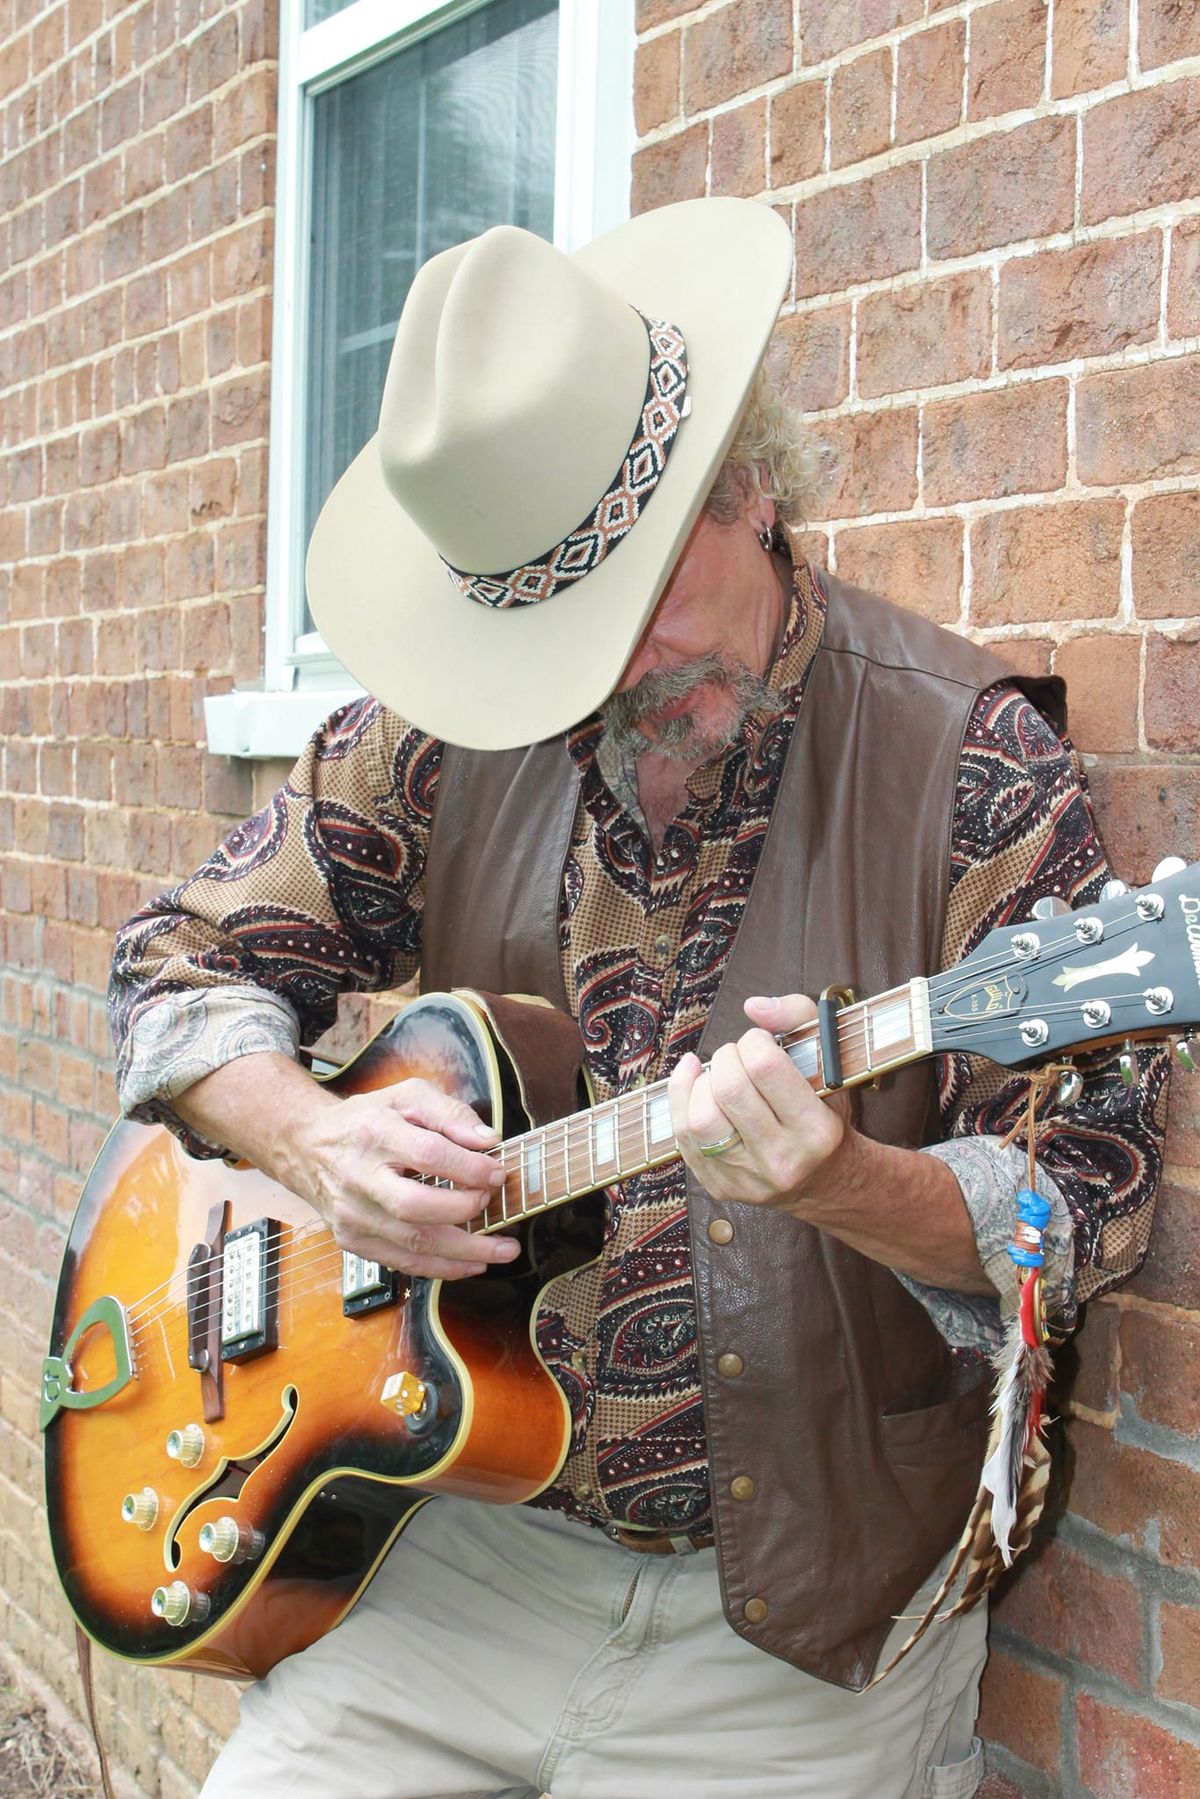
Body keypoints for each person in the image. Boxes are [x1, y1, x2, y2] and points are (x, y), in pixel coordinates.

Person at [109, 199, 1166, 1799]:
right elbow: (173, 961)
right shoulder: (444, 733)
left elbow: (1087, 1206)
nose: (605, 673)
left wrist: (848, 1184)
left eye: (636, 602)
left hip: (803, 1620)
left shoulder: (971, 760)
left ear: (748, 481)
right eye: (551, 630)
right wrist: (316, 1146)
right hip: (457, 1555)